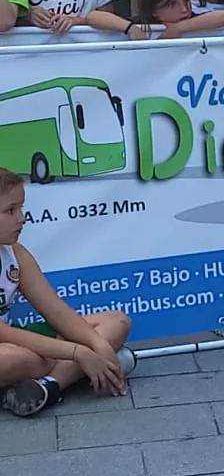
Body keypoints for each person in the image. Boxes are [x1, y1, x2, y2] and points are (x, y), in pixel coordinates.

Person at [0, 168, 136, 417]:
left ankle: (47, 386)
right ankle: (82, 369)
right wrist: (78, 352)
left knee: (117, 322)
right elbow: (3, 332)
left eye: (21, 208)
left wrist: (96, 344)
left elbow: (55, 311)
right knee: (16, 360)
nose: (22, 218)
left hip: (17, 344)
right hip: (9, 347)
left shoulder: (15, 253)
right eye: (10, 211)